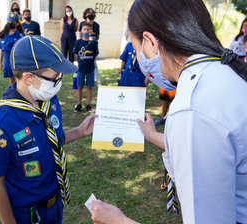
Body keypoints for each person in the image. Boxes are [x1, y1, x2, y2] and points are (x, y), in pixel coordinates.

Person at [91, 0, 247, 223]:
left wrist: (118, 220)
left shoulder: (192, 108)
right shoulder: (224, 73)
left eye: (137, 49)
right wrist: (153, 135)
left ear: (150, 42)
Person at [0, 35, 97, 224]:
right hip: (27, 214)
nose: (59, 82)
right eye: (55, 77)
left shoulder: (49, 101)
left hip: (54, 204)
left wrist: (80, 131)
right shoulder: (1, 124)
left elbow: (49, 140)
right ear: (29, 78)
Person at [73, 22, 99, 113]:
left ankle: (88, 104)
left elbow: (95, 53)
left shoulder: (94, 42)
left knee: (89, 87)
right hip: (80, 69)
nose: (86, 31)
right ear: (81, 31)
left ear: (91, 31)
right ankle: (79, 104)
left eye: (88, 29)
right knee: (79, 86)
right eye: (84, 29)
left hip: (90, 69)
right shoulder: (78, 42)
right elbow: (76, 53)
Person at [0, 12, 24, 85]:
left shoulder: (20, 36)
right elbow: (1, 51)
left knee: (18, 80)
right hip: (7, 61)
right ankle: (13, 94)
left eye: (12, 21)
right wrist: (0, 64)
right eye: (8, 21)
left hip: (17, 62)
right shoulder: (3, 35)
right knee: (12, 81)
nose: (10, 23)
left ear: (17, 23)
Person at [79, 8, 100, 85]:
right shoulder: (82, 24)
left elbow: (97, 37)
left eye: (92, 13)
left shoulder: (96, 25)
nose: (90, 15)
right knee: (82, 62)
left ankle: (96, 79)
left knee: (93, 62)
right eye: (88, 13)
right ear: (85, 14)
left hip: (92, 45)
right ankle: (81, 80)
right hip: (83, 46)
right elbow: (80, 35)